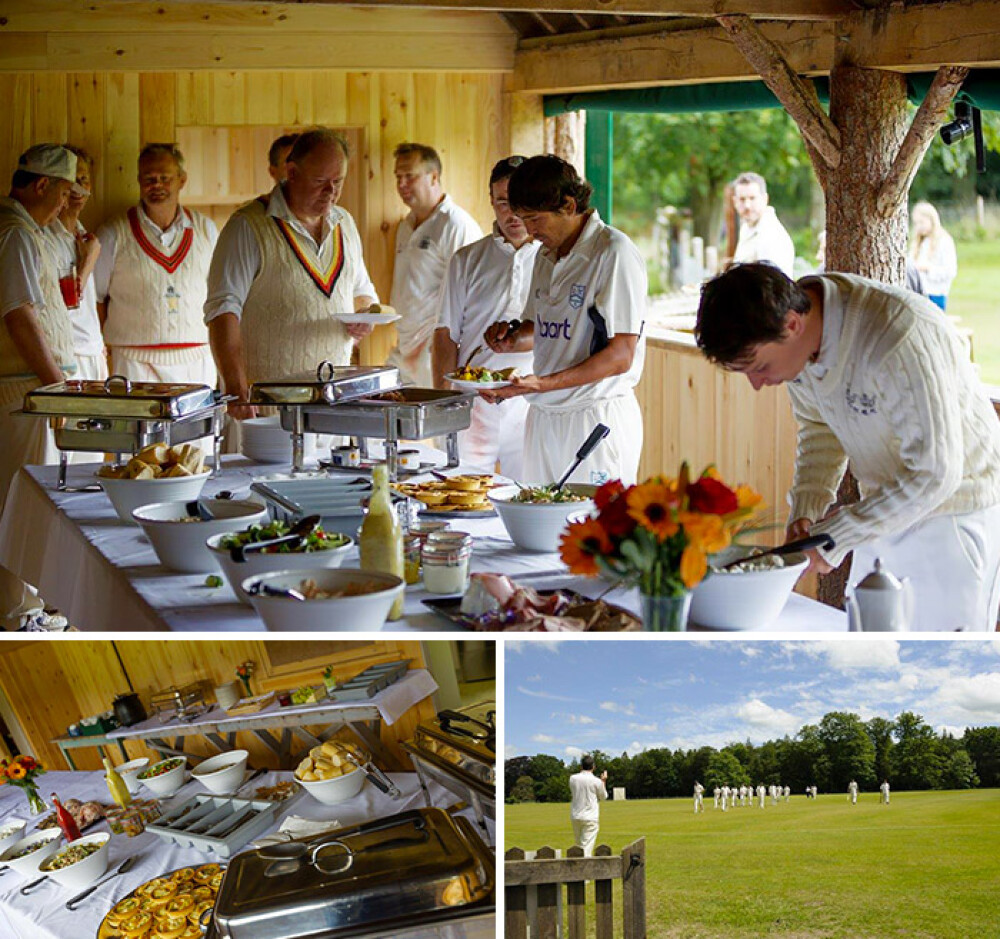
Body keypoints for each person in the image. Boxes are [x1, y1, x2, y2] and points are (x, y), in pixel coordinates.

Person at [695, 263, 1000, 631]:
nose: (758, 384)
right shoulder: (801, 345)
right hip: (884, 507)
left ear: (792, 324)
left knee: (941, 669)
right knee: (871, 651)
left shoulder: (896, 335)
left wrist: (837, 534)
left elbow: (937, 473)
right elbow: (820, 427)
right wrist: (808, 509)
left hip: (953, 512)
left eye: (759, 367)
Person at [483, 155, 647, 486]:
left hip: (593, 416)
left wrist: (541, 383)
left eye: (534, 219)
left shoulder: (612, 252)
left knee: (594, 531)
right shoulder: (544, 256)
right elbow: (540, 328)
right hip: (544, 416)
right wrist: (511, 339)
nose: (529, 230)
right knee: (539, 528)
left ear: (569, 205)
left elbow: (621, 356)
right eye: (522, 219)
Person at [206, 128, 377, 421]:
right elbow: (222, 312)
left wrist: (365, 315)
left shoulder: (345, 224)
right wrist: (236, 389)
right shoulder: (247, 227)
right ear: (292, 172)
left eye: (338, 182)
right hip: (267, 405)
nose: (331, 192)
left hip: (333, 400)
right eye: (321, 181)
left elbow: (362, 291)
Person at [0, 144, 83, 627]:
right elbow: (19, 317)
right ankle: (17, 612)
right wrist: (56, 386)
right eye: (63, 193)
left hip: (29, 390)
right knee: (18, 506)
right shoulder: (14, 234)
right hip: (22, 391)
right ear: (41, 185)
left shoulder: (26, 231)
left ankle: (27, 603)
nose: (64, 205)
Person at [433, 155, 539, 477]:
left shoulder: (554, 258)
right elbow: (445, 334)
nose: (512, 213)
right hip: (474, 401)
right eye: (503, 203)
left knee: (528, 495)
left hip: (532, 401)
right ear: (491, 201)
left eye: (520, 202)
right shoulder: (468, 259)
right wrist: (442, 403)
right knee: (462, 493)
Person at [95, 143, 218, 386]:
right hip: (133, 361)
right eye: (149, 179)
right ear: (139, 181)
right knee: (137, 425)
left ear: (182, 180)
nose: (157, 186)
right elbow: (96, 299)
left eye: (165, 178)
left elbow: (221, 294)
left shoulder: (206, 230)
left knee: (197, 425)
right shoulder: (113, 234)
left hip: (197, 358)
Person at [389, 142, 481, 387]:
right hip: (404, 345)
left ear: (434, 177)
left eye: (410, 176)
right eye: (398, 177)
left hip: (434, 349)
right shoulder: (405, 225)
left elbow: (471, 293)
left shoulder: (456, 225)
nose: (402, 184)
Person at [42, 145, 106, 384]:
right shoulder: (45, 237)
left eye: (84, 179)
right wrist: (88, 262)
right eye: (71, 180)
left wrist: (99, 346)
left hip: (92, 353)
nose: (78, 188)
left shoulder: (83, 236)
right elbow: (62, 302)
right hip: (65, 356)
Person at [730, 172, 795, 277]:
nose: (747, 205)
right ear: (735, 202)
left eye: (752, 198)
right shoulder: (748, 227)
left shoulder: (771, 235)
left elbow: (770, 287)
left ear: (765, 199)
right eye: (742, 199)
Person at [909, 201, 957, 310]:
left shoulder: (944, 241)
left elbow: (950, 271)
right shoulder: (919, 243)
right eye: (916, 223)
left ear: (932, 220)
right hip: (918, 294)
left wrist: (928, 268)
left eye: (922, 222)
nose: (919, 227)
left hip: (936, 295)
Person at [569, 754, 607, 857]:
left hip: (576, 816)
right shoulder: (597, 781)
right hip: (590, 817)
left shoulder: (573, 778)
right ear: (593, 767)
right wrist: (603, 781)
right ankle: (583, 871)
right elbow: (603, 796)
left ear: (581, 766)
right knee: (586, 848)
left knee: (578, 846)